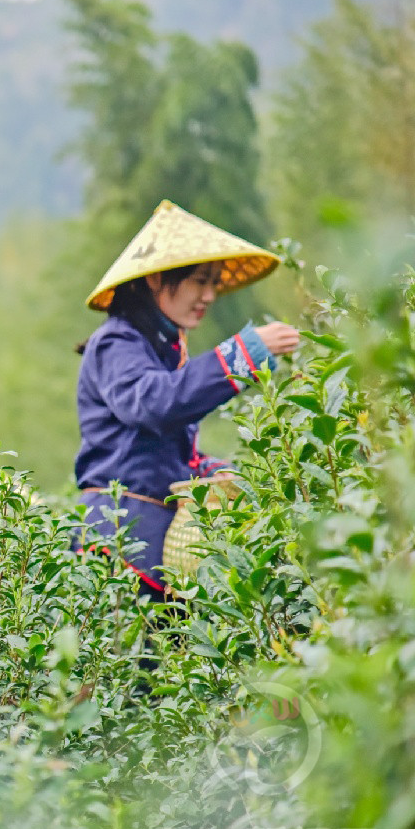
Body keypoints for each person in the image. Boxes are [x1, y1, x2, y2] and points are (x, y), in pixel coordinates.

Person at [74, 200, 301, 600]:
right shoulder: (116, 342)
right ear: (156, 279)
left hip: (152, 543)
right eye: (199, 280)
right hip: (119, 544)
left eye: (214, 283)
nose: (210, 295)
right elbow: (156, 404)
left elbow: (164, 450)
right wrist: (241, 355)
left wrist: (219, 472)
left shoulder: (161, 346)